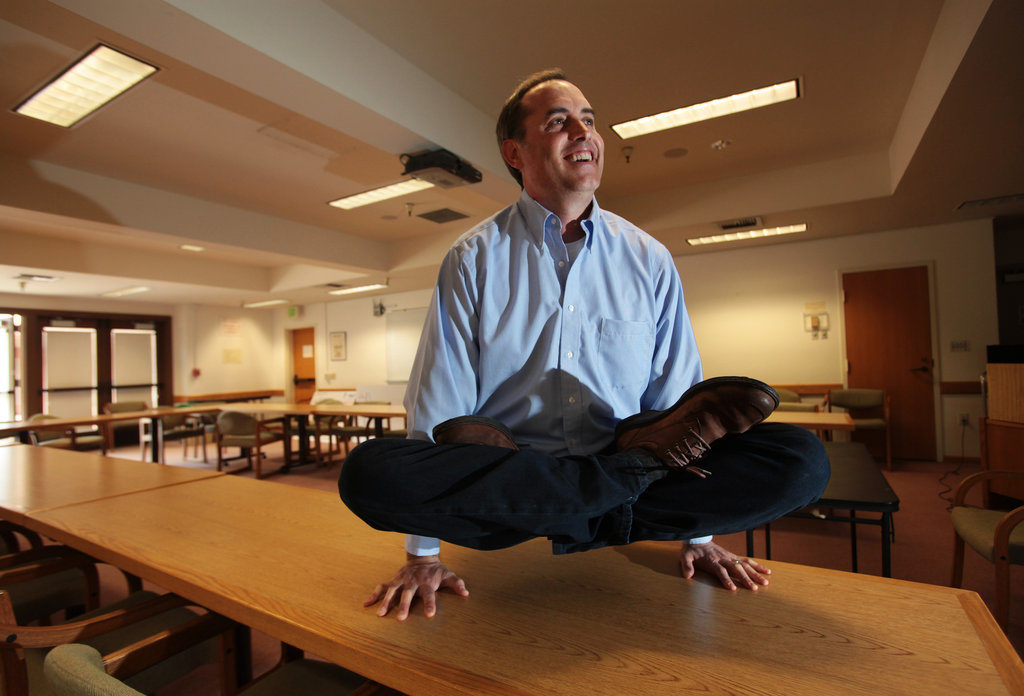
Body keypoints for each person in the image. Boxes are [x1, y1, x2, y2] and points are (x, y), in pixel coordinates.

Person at [339, 69, 829, 621]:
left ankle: (585, 503)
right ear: (515, 152)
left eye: (589, 120)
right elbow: (440, 396)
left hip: (587, 485)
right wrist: (423, 555)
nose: (584, 132)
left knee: (801, 461)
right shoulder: (474, 256)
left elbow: (678, 401)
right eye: (558, 121)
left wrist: (699, 535)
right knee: (369, 471)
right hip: (516, 475)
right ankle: (603, 499)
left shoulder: (649, 258)